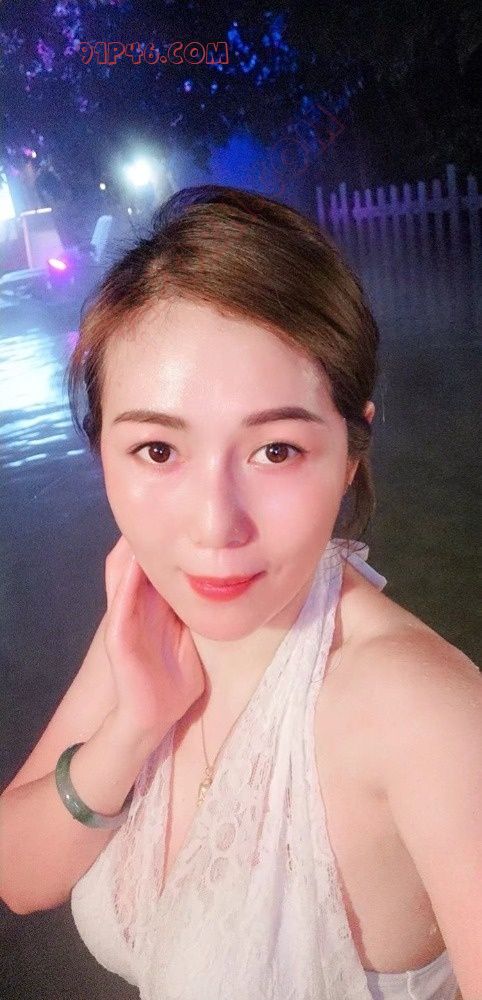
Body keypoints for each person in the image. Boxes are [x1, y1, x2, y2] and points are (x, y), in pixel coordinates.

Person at [0, 185, 479, 1000]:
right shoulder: (149, 622)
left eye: (276, 451)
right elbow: (18, 875)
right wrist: (133, 727)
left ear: (350, 454)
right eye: (158, 451)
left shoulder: (422, 713)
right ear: (103, 451)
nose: (215, 527)